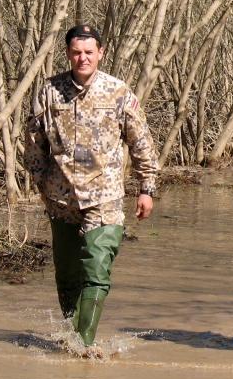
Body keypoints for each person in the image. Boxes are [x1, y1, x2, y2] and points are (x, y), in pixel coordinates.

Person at [25, 24, 159, 354]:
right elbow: (32, 141)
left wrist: (147, 187)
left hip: (105, 197)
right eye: (76, 52)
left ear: (101, 53)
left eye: (89, 52)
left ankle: (83, 346)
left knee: (97, 269)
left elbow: (141, 141)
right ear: (68, 54)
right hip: (61, 198)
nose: (82, 58)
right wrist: (41, 183)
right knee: (68, 276)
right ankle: (71, 333)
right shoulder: (49, 91)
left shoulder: (118, 92)